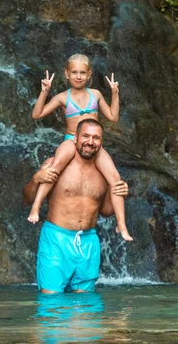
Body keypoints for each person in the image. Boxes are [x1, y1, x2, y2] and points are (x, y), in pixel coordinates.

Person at [28, 54, 132, 241]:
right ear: (66, 74)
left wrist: (115, 93)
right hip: (71, 140)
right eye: (74, 72)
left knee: (115, 178)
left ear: (89, 74)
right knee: (54, 167)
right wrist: (44, 91)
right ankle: (36, 206)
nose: (78, 76)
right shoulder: (62, 97)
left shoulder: (96, 95)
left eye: (82, 73)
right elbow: (38, 114)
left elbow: (113, 117)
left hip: (93, 144)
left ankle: (121, 225)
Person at [22, 119, 128, 293]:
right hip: (56, 240)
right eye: (85, 136)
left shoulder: (105, 173)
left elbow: (106, 211)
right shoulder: (54, 163)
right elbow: (26, 199)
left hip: (88, 241)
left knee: (84, 306)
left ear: (101, 142)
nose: (90, 142)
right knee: (51, 301)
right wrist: (35, 179)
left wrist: (121, 192)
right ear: (76, 138)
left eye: (96, 138)